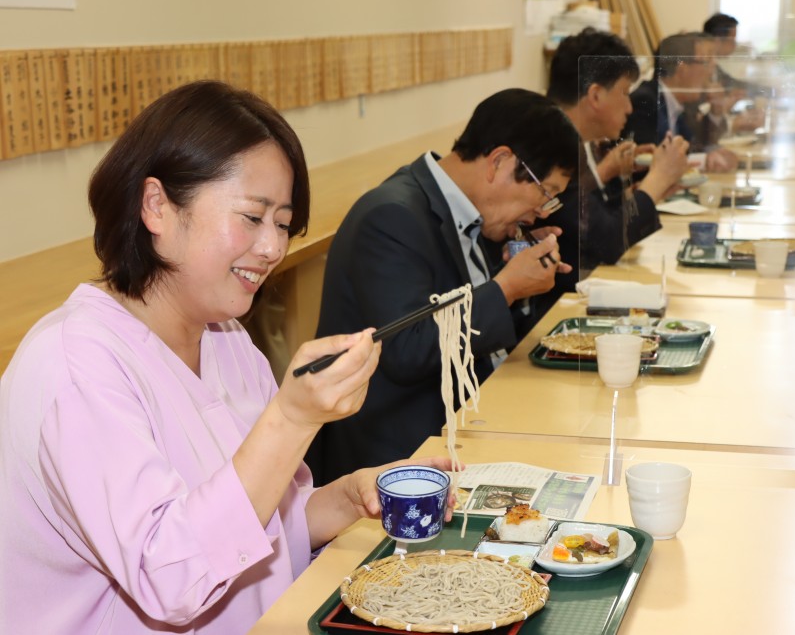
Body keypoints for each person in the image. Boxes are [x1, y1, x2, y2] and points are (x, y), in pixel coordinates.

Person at [0, 80, 455, 634]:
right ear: (157, 206)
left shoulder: (226, 339)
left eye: (283, 224)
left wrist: (351, 498)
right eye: (251, 216)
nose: (271, 248)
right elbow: (171, 577)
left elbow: (254, 530)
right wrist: (292, 418)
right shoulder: (76, 365)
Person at [306, 88, 579, 485]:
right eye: (546, 191)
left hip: (466, 420)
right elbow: (406, 349)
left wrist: (519, 280)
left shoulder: (474, 216)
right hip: (399, 454)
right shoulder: (391, 217)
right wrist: (506, 289)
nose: (542, 210)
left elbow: (480, 332)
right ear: (500, 162)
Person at [531, 27, 690, 319]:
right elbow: (606, 241)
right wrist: (654, 184)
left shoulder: (569, 136)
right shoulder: (549, 143)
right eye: (624, 93)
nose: (630, 107)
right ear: (595, 95)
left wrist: (647, 190)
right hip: (551, 312)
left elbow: (596, 219)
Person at [626, 32, 739, 172]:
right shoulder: (645, 102)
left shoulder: (683, 103)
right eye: (706, 61)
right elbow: (648, 162)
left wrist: (716, 110)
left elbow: (699, 145)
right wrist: (704, 161)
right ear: (683, 69)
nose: (712, 70)